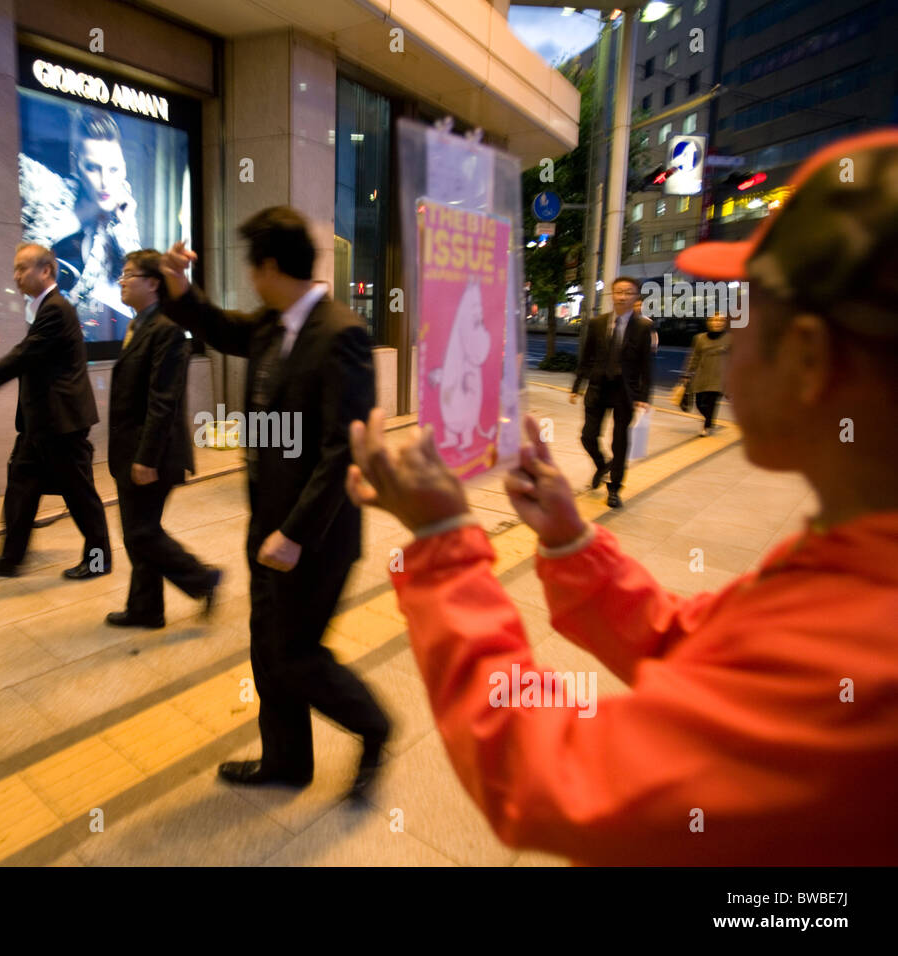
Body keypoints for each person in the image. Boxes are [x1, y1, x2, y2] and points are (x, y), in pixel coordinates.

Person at [344, 128, 898, 864]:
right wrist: (575, 544)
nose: (727, 338)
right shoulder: (856, 564)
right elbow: (701, 648)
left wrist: (444, 543)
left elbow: (553, 778)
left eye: (746, 309)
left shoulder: (860, 657)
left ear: (808, 355)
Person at [159, 207, 391, 798]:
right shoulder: (273, 321)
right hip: (267, 525)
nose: (251, 278)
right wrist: (183, 292)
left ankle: (375, 726)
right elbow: (222, 328)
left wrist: (295, 533)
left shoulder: (341, 335)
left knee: (294, 654)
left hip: (316, 536)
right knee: (269, 650)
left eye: (252, 266)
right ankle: (286, 760)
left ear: (268, 266)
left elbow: (343, 448)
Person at [0, 243, 111, 580]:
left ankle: (99, 560)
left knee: (80, 496)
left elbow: (23, 356)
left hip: (62, 425)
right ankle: (11, 558)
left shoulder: (56, 309)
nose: (16, 275)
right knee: (20, 488)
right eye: (15, 269)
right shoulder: (45, 308)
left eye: (23, 268)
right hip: (41, 424)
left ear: (46, 271)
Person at [105, 249, 221, 628]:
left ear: (152, 283)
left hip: (152, 455)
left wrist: (146, 458)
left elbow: (163, 400)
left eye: (128, 275)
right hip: (131, 451)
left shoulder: (167, 329)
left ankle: (203, 579)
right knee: (139, 533)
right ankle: (147, 608)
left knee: (141, 533)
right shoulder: (139, 323)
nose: (121, 281)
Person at [20, 108, 139, 343]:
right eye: (93, 168)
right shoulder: (47, 190)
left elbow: (139, 296)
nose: (105, 182)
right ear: (76, 164)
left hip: (66, 344)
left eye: (113, 169)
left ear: (123, 169)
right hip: (24, 333)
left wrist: (125, 228)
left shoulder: (115, 225)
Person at [569, 276, 653, 508]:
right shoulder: (597, 323)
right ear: (612, 295)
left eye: (628, 292)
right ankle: (602, 465)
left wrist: (644, 397)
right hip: (598, 388)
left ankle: (614, 488)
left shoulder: (643, 327)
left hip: (624, 392)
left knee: (619, 442)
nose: (623, 296)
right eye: (618, 292)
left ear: (636, 297)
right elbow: (586, 358)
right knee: (588, 435)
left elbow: (646, 365)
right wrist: (577, 386)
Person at [682, 312, 731, 436]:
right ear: (709, 322)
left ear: (724, 323)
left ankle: (707, 425)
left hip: (719, 377)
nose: (717, 323)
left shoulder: (730, 339)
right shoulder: (699, 338)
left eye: (720, 321)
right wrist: (687, 374)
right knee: (699, 403)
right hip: (701, 375)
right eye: (714, 320)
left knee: (712, 402)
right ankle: (709, 420)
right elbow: (694, 356)